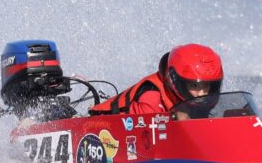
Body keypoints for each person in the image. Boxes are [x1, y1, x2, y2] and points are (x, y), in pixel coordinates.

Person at [88, 43, 223, 116]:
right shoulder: (152, 99)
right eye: (195, 85)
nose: (202, 93)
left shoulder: (198, 100)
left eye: (207, 86)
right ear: (176, 80)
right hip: (102, 127)